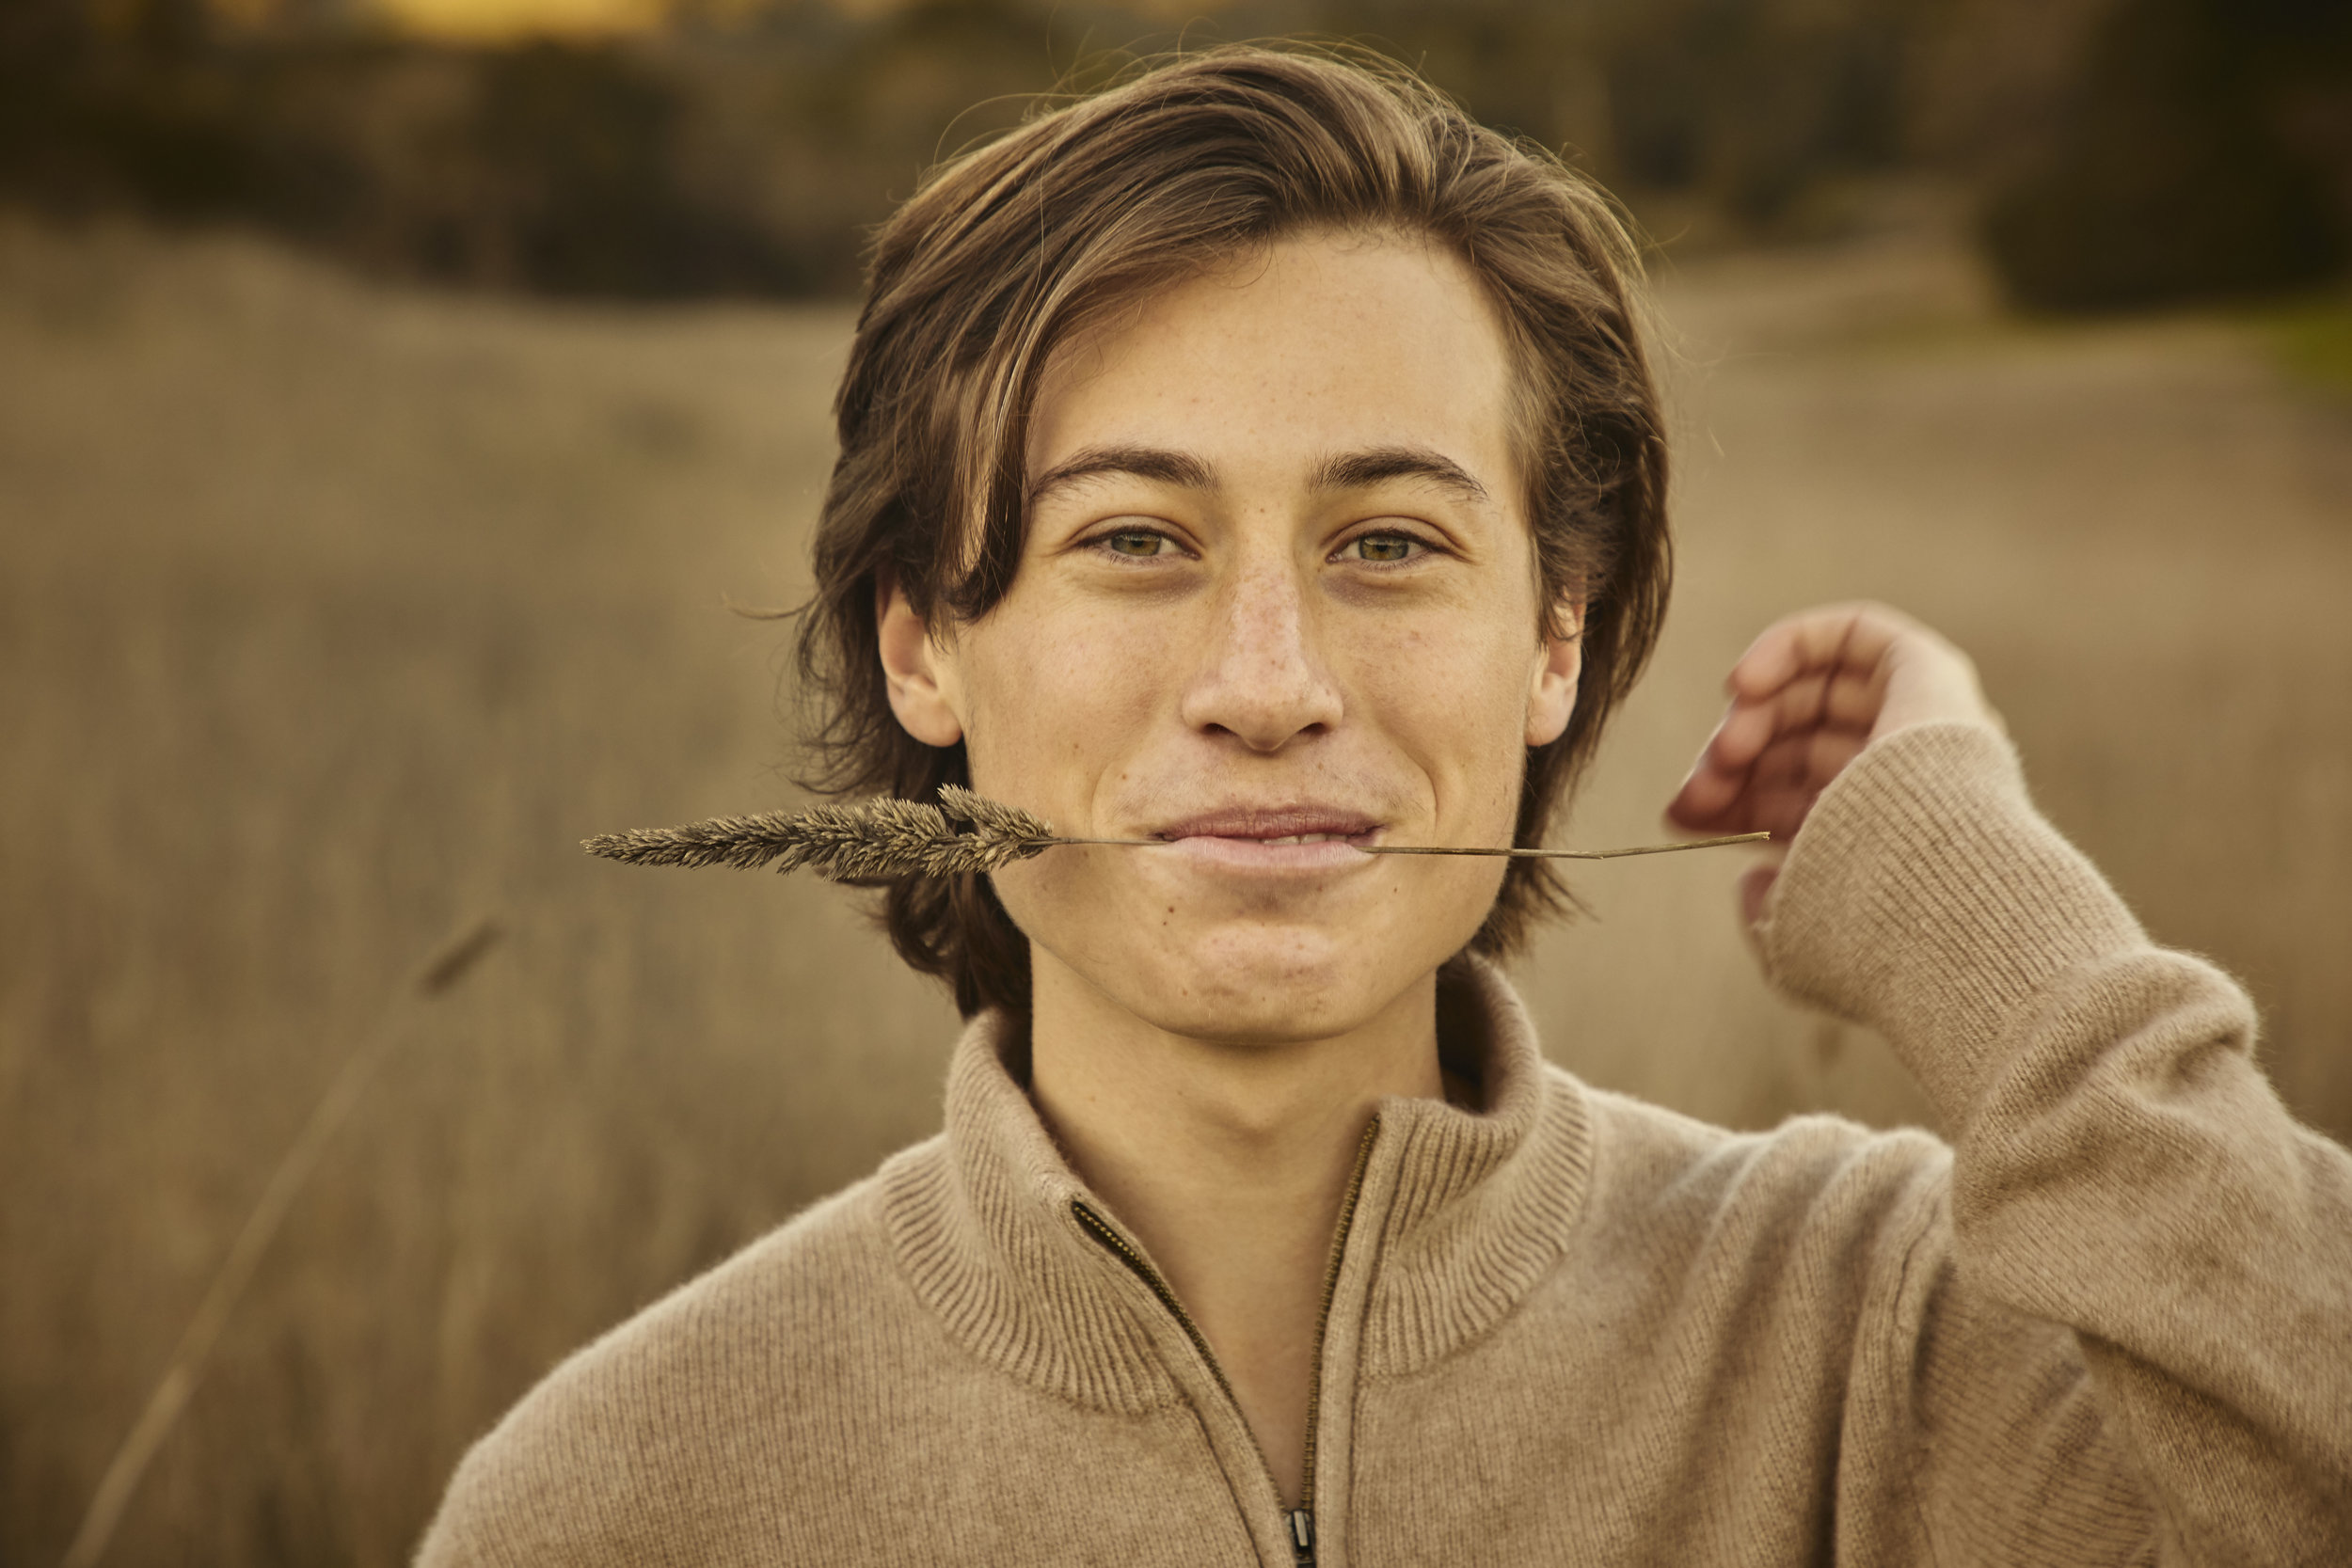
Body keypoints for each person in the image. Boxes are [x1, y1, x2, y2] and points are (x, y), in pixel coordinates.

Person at [417, 45, 2352, 1567]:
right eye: (1134, 537)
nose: (1269, 682)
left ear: (1553, 646)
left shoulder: (1876, 1341)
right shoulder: (629, 1496)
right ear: (926, 646)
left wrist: (1977, 911)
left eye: (1390, 540)